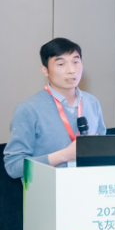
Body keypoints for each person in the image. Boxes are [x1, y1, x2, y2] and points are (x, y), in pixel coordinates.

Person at [3, 38, 106, 179]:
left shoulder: (92, 102)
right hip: (48, 190)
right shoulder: (28, 109)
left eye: (76, 62)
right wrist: (64, 155)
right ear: (45, 70)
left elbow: (103, 150)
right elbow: (13, 167)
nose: (71, 70)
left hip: (89, 186)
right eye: (61, 64)